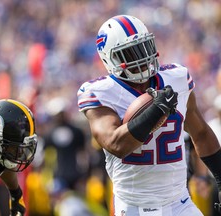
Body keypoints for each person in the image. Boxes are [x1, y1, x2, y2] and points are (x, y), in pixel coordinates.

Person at [77, 15, 221, 216]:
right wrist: (156, 110)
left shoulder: (177, 78)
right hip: (133, 207)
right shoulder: (101, 92)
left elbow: (201, 133)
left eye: (144, 47)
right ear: (110, 59)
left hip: (180, 203)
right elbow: (116, 144)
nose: (142, 58)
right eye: (130, 53)